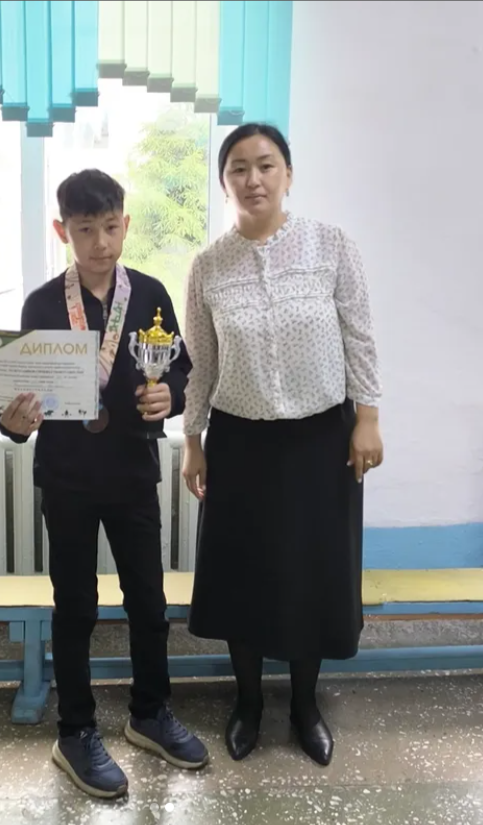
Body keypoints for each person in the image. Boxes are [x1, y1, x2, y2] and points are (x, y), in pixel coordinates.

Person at [0, 169, 208, 799]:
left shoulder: (150, 294)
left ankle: (150, 714)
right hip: (67, 479)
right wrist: (13, 423)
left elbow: (182, 370)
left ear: (126, 223)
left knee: (148, 601)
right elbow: (18, 402)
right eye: (85, 230)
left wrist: (171, 398)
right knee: (76, 607)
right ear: (62, 230)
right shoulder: (42, 305)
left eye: (111, 227)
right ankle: (75, 731)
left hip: (133, 473)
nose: (100, 243)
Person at [182, 123, 383, 767]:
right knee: (242, 573)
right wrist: (192, 440)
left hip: (321, 439)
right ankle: (247, 703)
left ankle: (303, 705)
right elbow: (201, 364)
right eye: (238, 168)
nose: (253, 179)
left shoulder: (331, 246)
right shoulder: (208, 266)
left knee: (312, 572)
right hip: (239, 441)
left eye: (266, 165)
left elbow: (359, 336)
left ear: (288, 174)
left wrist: (368, 418)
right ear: (224, 184)